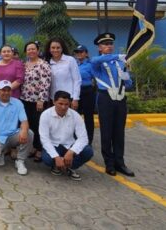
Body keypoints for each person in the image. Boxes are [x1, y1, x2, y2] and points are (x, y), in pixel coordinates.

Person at [90, 33, 134, 177]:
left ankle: (120, 162)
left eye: (110, 44)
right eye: (105, 44)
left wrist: (127, 79)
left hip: (120, 99)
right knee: (107, 132)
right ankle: (109, 163)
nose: (109, 46)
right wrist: (119, 56)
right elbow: (95, 60)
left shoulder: (121, 63)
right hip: (105, 99)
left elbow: (129, 84)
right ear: (99, 47)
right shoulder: (98, 61)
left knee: (119, 132)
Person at [39, 91, 94, 181]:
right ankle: (58, 165)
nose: (63, 107)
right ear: (54, 102)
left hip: (69, 145)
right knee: (47, 159)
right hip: (54, 145)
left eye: (66, 104)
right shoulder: (45, 115)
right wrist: (56, 157)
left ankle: (69, 167)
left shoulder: (75, 115)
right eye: (60, 103)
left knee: (88, 151)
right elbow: (44, 139)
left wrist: (71, 152)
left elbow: (83, 138)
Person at [0, 80, 33, 175]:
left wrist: (24, 130)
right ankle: (0, 153)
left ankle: (20, 161)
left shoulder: (18, 103)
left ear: (11, 91)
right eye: (3, 90)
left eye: (8, 90)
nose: (6, 93)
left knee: (29, 133)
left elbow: (24, 121)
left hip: (13, 135)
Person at [20, 41, 53, 162]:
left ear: (38, 50)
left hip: (37, 101)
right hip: (24, 99)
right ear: (26, 52)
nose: (31, 51)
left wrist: (41, 99)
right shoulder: (24, 64)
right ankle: (33, 147)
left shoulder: (43, 64)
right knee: (29, 124)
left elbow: (45, 83)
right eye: (28, 49)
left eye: (33, 49)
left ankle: (40, 149)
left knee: (39, 124)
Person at [44, 38, 81, 111]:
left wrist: (75, 98)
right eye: (53, 48)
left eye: (58, 48)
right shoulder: (46, 62)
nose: (55, 50)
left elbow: (77, 80)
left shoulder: (70, 60)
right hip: (54, 99)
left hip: (69, 99)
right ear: (49, 49)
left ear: (62, 48)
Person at [74, 45, 96, 145]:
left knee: (88, 117)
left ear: (86, 53)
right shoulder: (73, 63)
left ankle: (89, 140)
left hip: (87, 91)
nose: (79, 54)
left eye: (81, 52)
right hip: (76, 93)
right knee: (75, 116)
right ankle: (75, 138)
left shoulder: (91, 65)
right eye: (77, 52)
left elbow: (96, 78)